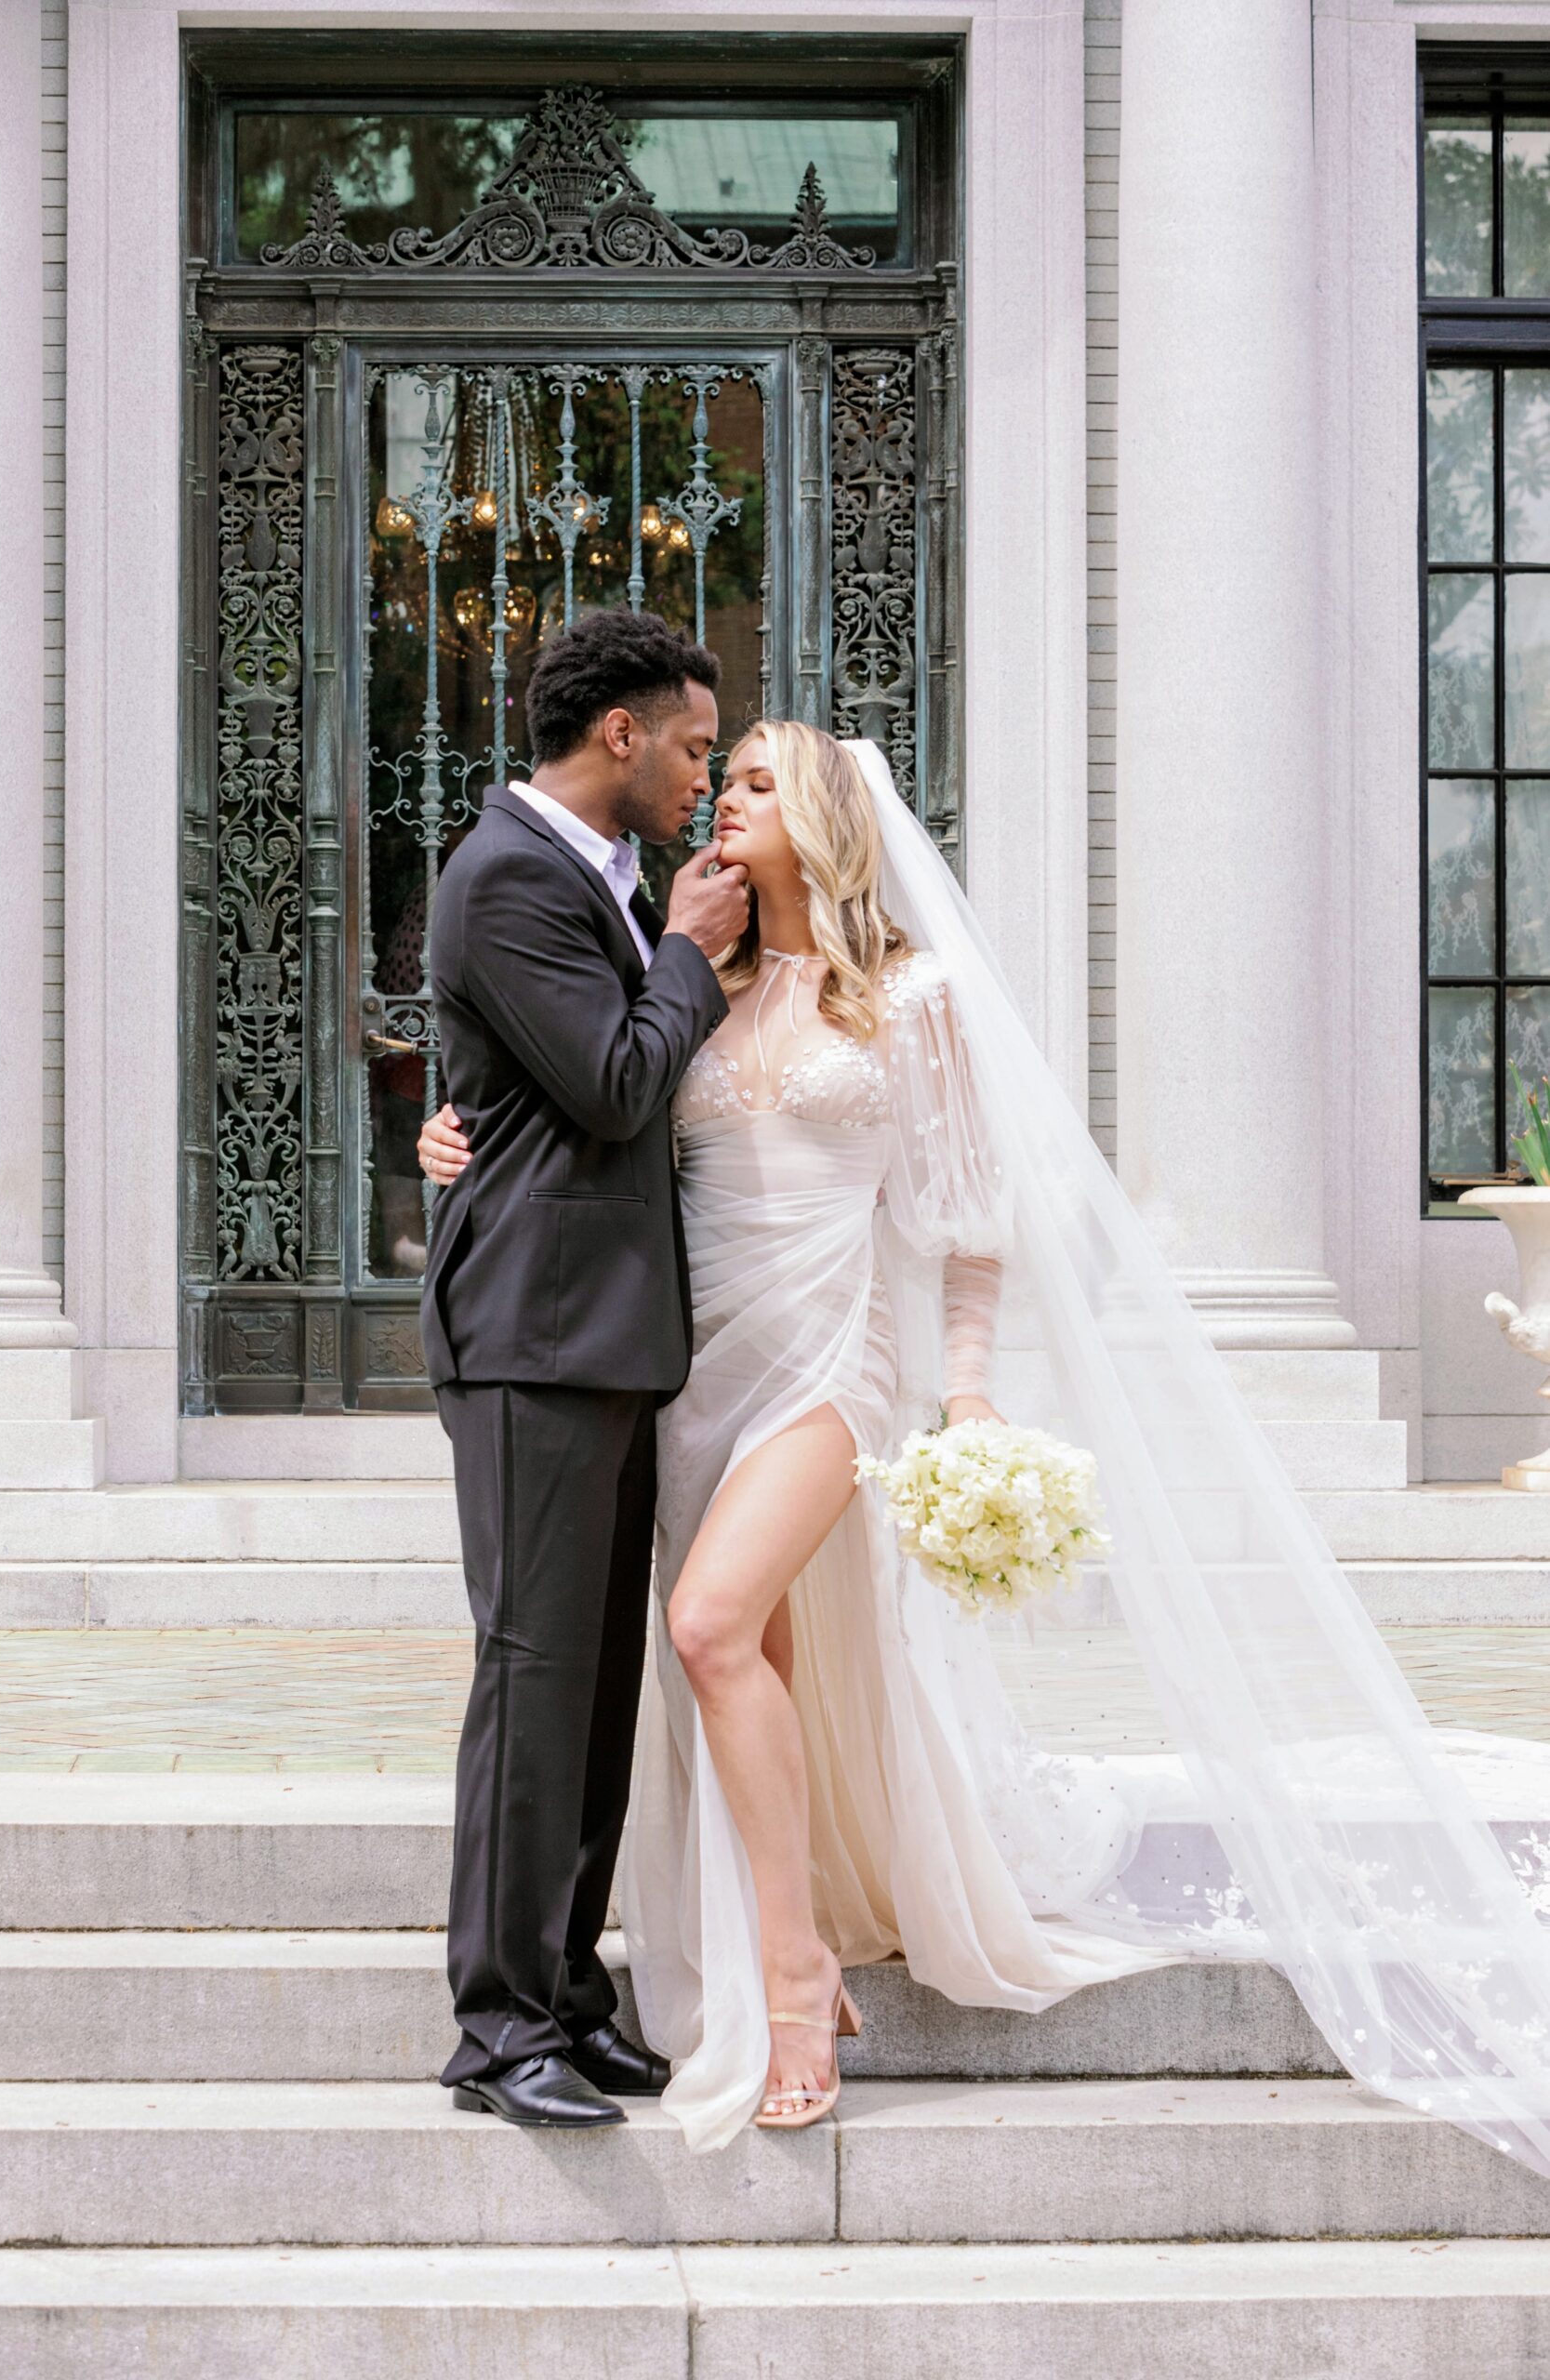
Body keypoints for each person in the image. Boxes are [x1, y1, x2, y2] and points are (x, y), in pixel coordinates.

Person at [423, 721, 1550, 2175]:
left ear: (826, 817)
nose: (719, 798)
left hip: (833, 1363)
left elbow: (968, 1227)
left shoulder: (915, 996)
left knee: (706, 1630)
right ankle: (777, 1938)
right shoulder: (695, 978)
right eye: (720, 768)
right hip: (695, 1374)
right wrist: (451, 1135)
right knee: (747, 1654)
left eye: (753, 780)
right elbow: (592, 1100)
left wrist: (962, 1396)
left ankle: (793, 1987)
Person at [421, 606, 749, 2129]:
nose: (704, 771)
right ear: (617, 733)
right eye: (691, 743)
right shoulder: (504, 875)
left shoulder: (591, 878)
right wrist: (687, 950)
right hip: (535, 1338)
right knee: (534, 1676)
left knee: (595, 1684)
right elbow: (615, 1085)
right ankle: (496, 2033)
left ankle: (567, 1990)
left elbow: (524, 1086)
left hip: (603, 1334)